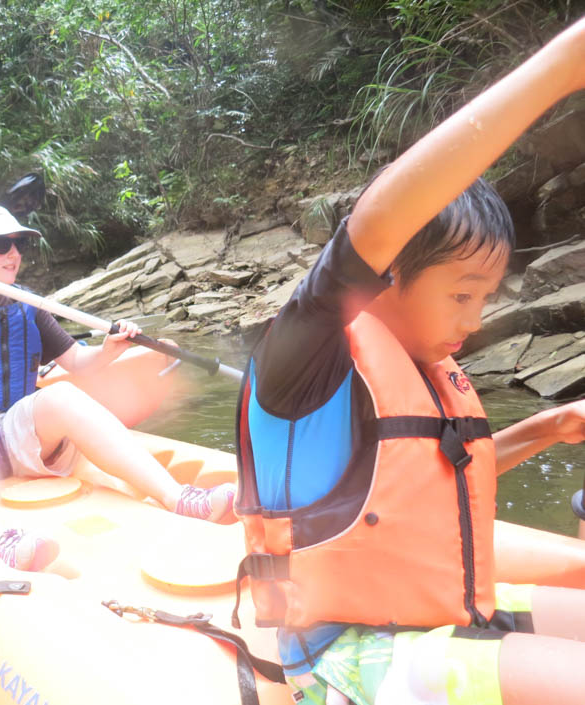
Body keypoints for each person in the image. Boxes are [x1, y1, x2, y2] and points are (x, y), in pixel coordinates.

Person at [233, 17, 585, 705]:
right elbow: (374, 224)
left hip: (436, 617)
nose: (476, 319)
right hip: (348, 658)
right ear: (388, 272)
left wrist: (548, 427)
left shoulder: (424, 368)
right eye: (461, 294)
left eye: (485, 295)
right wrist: (566, 65)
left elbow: (425, 475)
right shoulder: (307, 355)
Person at [0, 204, 235, 571]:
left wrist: (108, 350)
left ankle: (179, 498)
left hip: (13, 436)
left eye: (19, 244)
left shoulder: (26, 303)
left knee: (63, 395)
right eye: (1, 245)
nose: (14, 254)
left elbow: (78, 364)